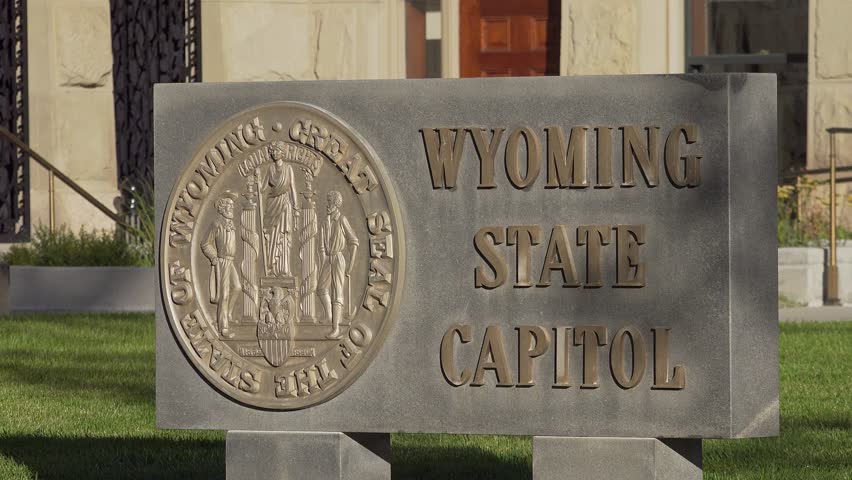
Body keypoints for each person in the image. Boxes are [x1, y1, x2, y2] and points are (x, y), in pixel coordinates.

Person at [318, 191, 359, 339]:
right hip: (328, 258)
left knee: (337, 292)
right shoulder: (326, 221)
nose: (326, 204)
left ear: (335, 203)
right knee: (321, 288)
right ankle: (329, 316)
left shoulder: (342, 219)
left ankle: (335, 328)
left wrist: (351, 265)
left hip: (338, 258)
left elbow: (353, 242)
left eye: (329, 201)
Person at [202, 193, 242, 339]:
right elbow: (205, 243)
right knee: (224, 295)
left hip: (231, 261)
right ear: (222, 207)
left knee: (237, 287)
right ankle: (223, 327)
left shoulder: (231, 224)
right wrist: (213, 257)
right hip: (222, 261)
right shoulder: (216, 224)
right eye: (229, 205)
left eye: (232, 205)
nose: (232, 208)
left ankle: (229, 313)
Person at [264, 142, 299, 276]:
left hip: (285, 203)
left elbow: (293, 188)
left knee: (284, 235)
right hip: (273, 203)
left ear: (282, 152)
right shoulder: (270, 169)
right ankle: (272, 267)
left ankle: (284, 269)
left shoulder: (288, 168)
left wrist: (296, 207)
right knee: (273, 236)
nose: (274, 153)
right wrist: (256, 180)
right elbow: (263, 188)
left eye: (277, 150)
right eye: (273, 151)